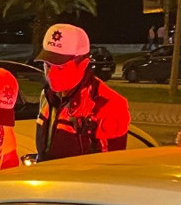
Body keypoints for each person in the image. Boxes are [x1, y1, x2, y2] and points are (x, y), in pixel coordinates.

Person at [34, 23, 131, 162]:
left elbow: (111, 166)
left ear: (83, 64)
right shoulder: (48, 94)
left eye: (60, 68)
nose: (51, 75)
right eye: (48, 65)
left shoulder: (108, 104)